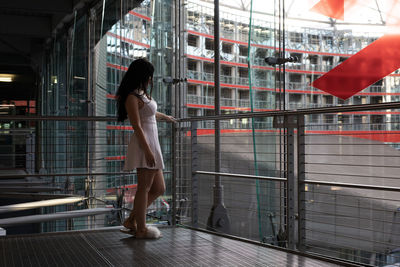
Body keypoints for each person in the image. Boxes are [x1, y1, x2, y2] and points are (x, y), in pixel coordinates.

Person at [116, 58, 176, 238]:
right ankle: (141, 229)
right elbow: (137, 126)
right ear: (141, 76)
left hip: (152, 143)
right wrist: (148, 151)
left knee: (159, 188)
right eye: (148, 76)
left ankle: (131, 220)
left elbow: (150, 113)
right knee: (144, 187)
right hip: (145, 145)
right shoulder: (131, 97)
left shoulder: (140, 94)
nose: (150, 79)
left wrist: (166, 117)